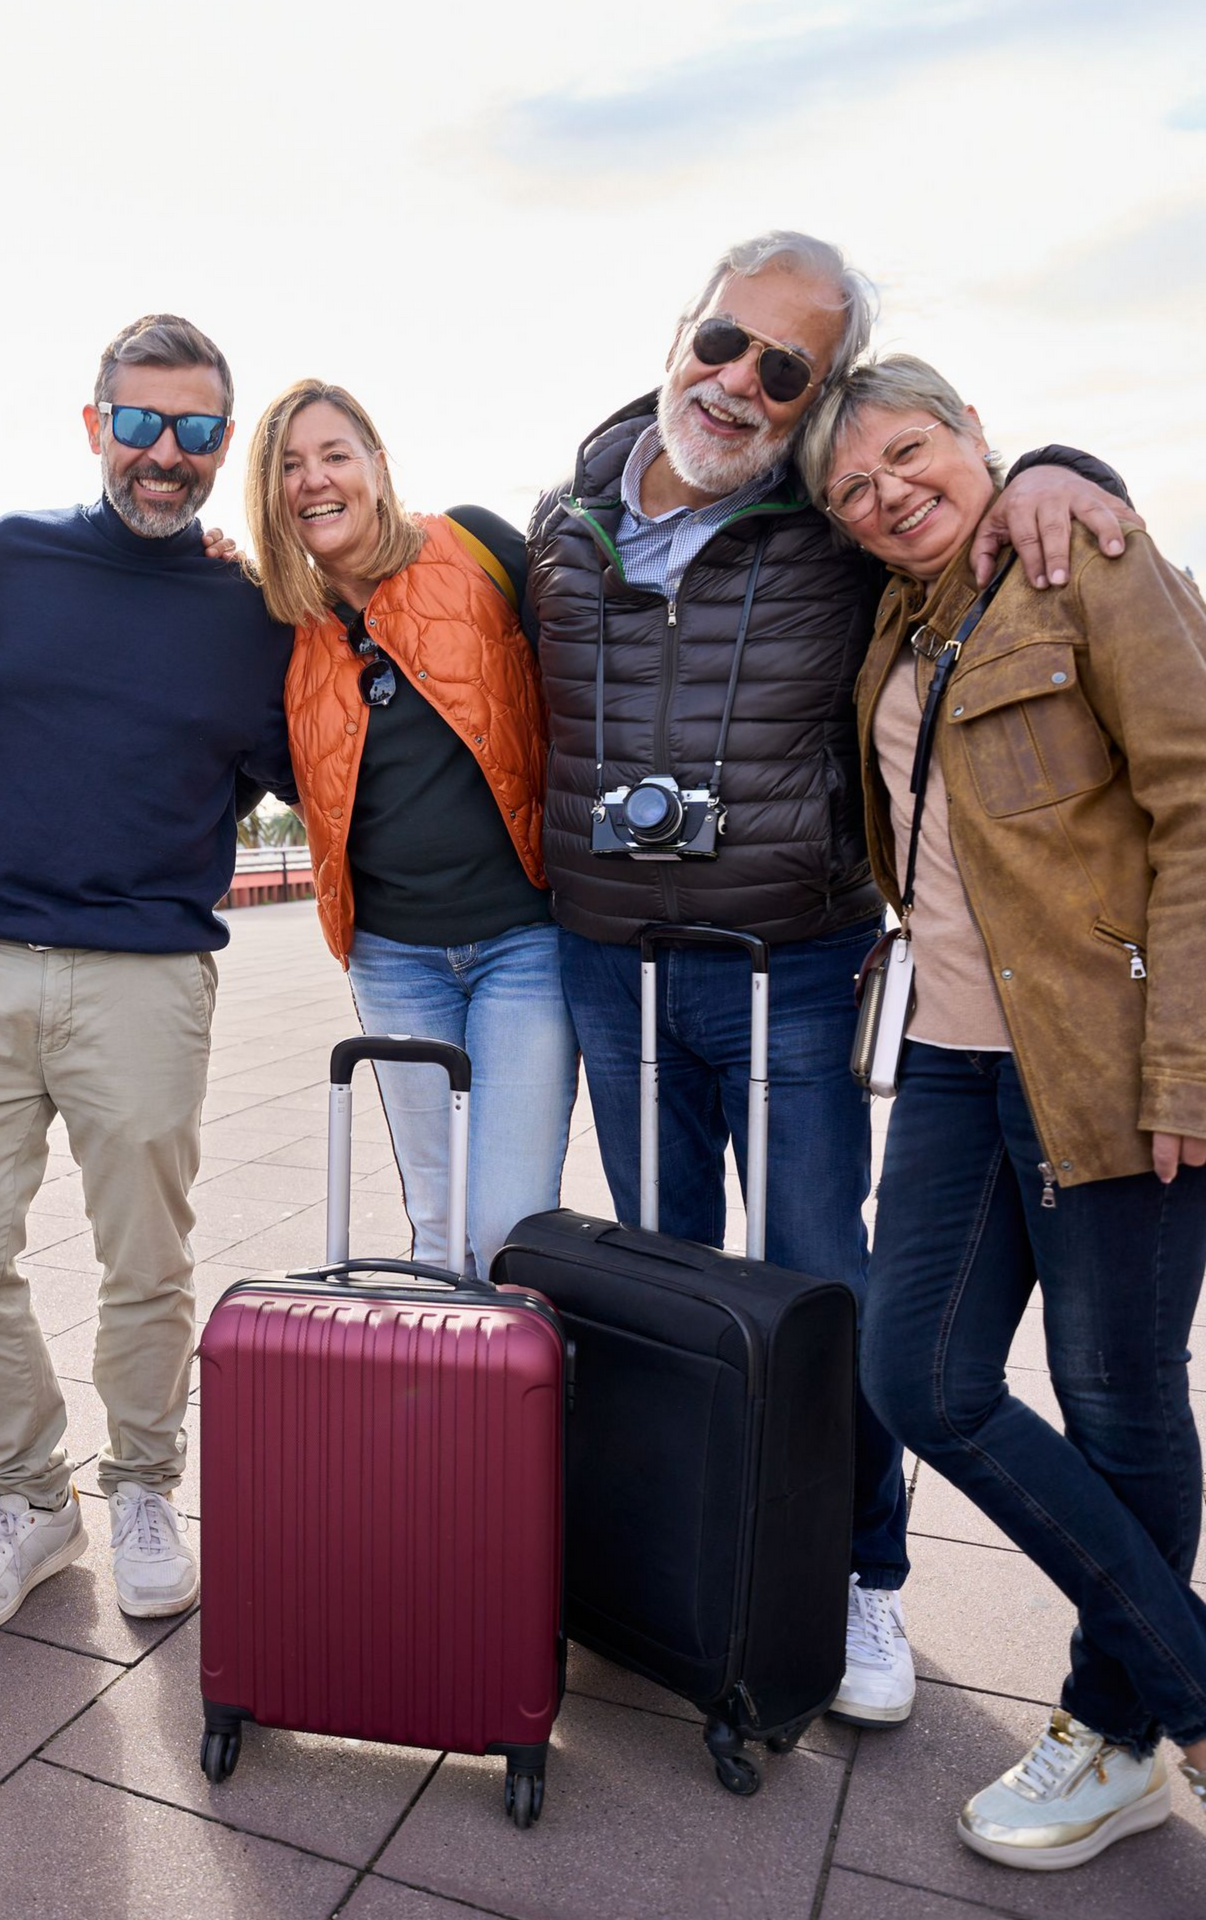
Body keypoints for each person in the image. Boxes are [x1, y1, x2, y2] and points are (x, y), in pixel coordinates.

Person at [524, 229, 1135, 1732]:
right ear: (686, 329)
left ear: (815, 401)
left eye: (784, 371)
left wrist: (1066, 458)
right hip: (611, 965)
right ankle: (678, 1562)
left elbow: (975, 521)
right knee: (654, 1281)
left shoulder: (833, 527)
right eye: (726, 343)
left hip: (786, 967)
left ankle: (861, 1576)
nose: (737, 383)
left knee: (823, 1285)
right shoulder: (558, 520)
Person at [793, 355, 1206, 1867]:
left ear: (973, 432)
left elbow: (1199, 795)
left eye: (911, 453)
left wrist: (1189, 1064)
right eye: (854, 488)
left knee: (1119, 1402)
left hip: (1106, 1060)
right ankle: (1193, 1688)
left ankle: (1114, 1732)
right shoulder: (904, 619)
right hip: (961, 1065)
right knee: (919, 1376)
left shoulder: (1084, 553)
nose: (888, 493)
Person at [0, 315, 294, 1645]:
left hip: (148, 977)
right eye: (139, 423)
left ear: (224, 447)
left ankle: (137, 1487)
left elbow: (340, 759)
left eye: (192, 432)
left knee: (145, 1256)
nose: (162, 455)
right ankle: (28, 1497)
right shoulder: (7, 558)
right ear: (94, 425)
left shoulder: (254, 616)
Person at [241, 379, 571, 1277]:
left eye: (335, 454)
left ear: (378, 469)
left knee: (504, 1223)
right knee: (436, 1225)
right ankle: (463, 1410)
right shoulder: (281, 628)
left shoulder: (473, 545)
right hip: (395, 960)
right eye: (290, 466)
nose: (315, 479)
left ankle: (524, 1391)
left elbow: (584, 669)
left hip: (524, 947)